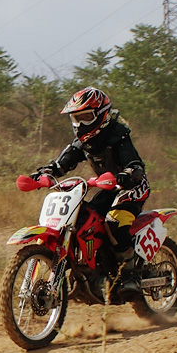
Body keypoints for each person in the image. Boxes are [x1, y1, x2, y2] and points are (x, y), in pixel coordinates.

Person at [31, 87, 150, 297]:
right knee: (84, 218)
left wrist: (127, 173)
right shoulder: (82, 141)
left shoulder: (118, 134)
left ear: (101, 114)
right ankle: (91, 269)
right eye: (76, 118)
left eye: (86, 117)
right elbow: (62, 163)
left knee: (114, 221)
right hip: (107, 187)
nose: (80, 124)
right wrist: (47, 171)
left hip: (132, 186)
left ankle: (130, 275)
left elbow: (135, 164)